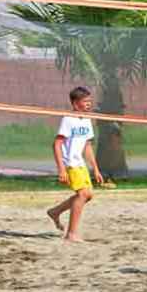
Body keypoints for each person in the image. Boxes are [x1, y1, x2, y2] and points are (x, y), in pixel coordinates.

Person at [46, 87, 104, 242]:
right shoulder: (68, 119)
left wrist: (96, 169)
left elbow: (87, 146)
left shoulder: (87, 120)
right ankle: (71, 234)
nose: (89, 104)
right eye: (85, 101)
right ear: (75, 103)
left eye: (90, 101)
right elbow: (57, 144)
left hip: (80, 163)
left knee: (88, 195)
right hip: (70, 163)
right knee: (83, 194)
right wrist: (61, 169)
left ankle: (55, 211)